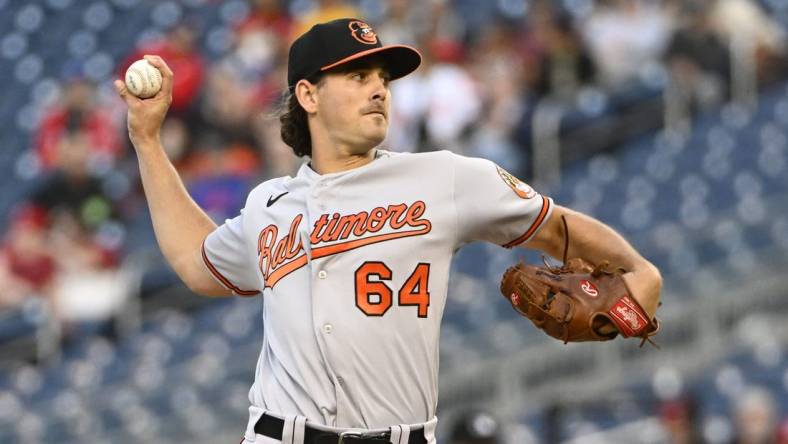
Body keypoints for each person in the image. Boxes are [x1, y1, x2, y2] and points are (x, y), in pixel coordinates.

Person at [113, 18, 662, 444]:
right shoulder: (268, 205)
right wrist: (148, 141)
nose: (379, 90)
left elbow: (557, 227)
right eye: (357, 77)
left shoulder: (443, 177)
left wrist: (640, 271)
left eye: (382, 79)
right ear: (308, 95)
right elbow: (196, 263)